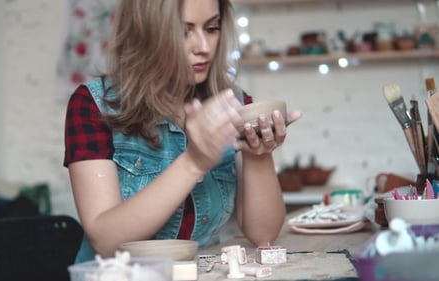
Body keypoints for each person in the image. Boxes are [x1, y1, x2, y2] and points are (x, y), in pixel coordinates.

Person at [64, 0, 302, 263]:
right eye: (183, 31)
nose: (203, 47)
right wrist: (194, 162)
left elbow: (263, 234)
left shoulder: (233, 104)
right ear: (144, 31)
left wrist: (258, 154)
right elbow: (106, 240)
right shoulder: (93, 105)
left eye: (211, 28)